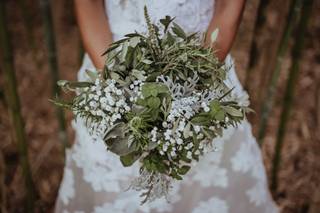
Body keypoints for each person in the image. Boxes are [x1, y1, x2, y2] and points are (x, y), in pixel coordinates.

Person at [55, 0, 279, 212]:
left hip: (204, 66)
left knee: (206, 174)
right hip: (110, 64)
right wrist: (118, 88)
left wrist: (197, 82)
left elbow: (229, 4)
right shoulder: (114, 83)